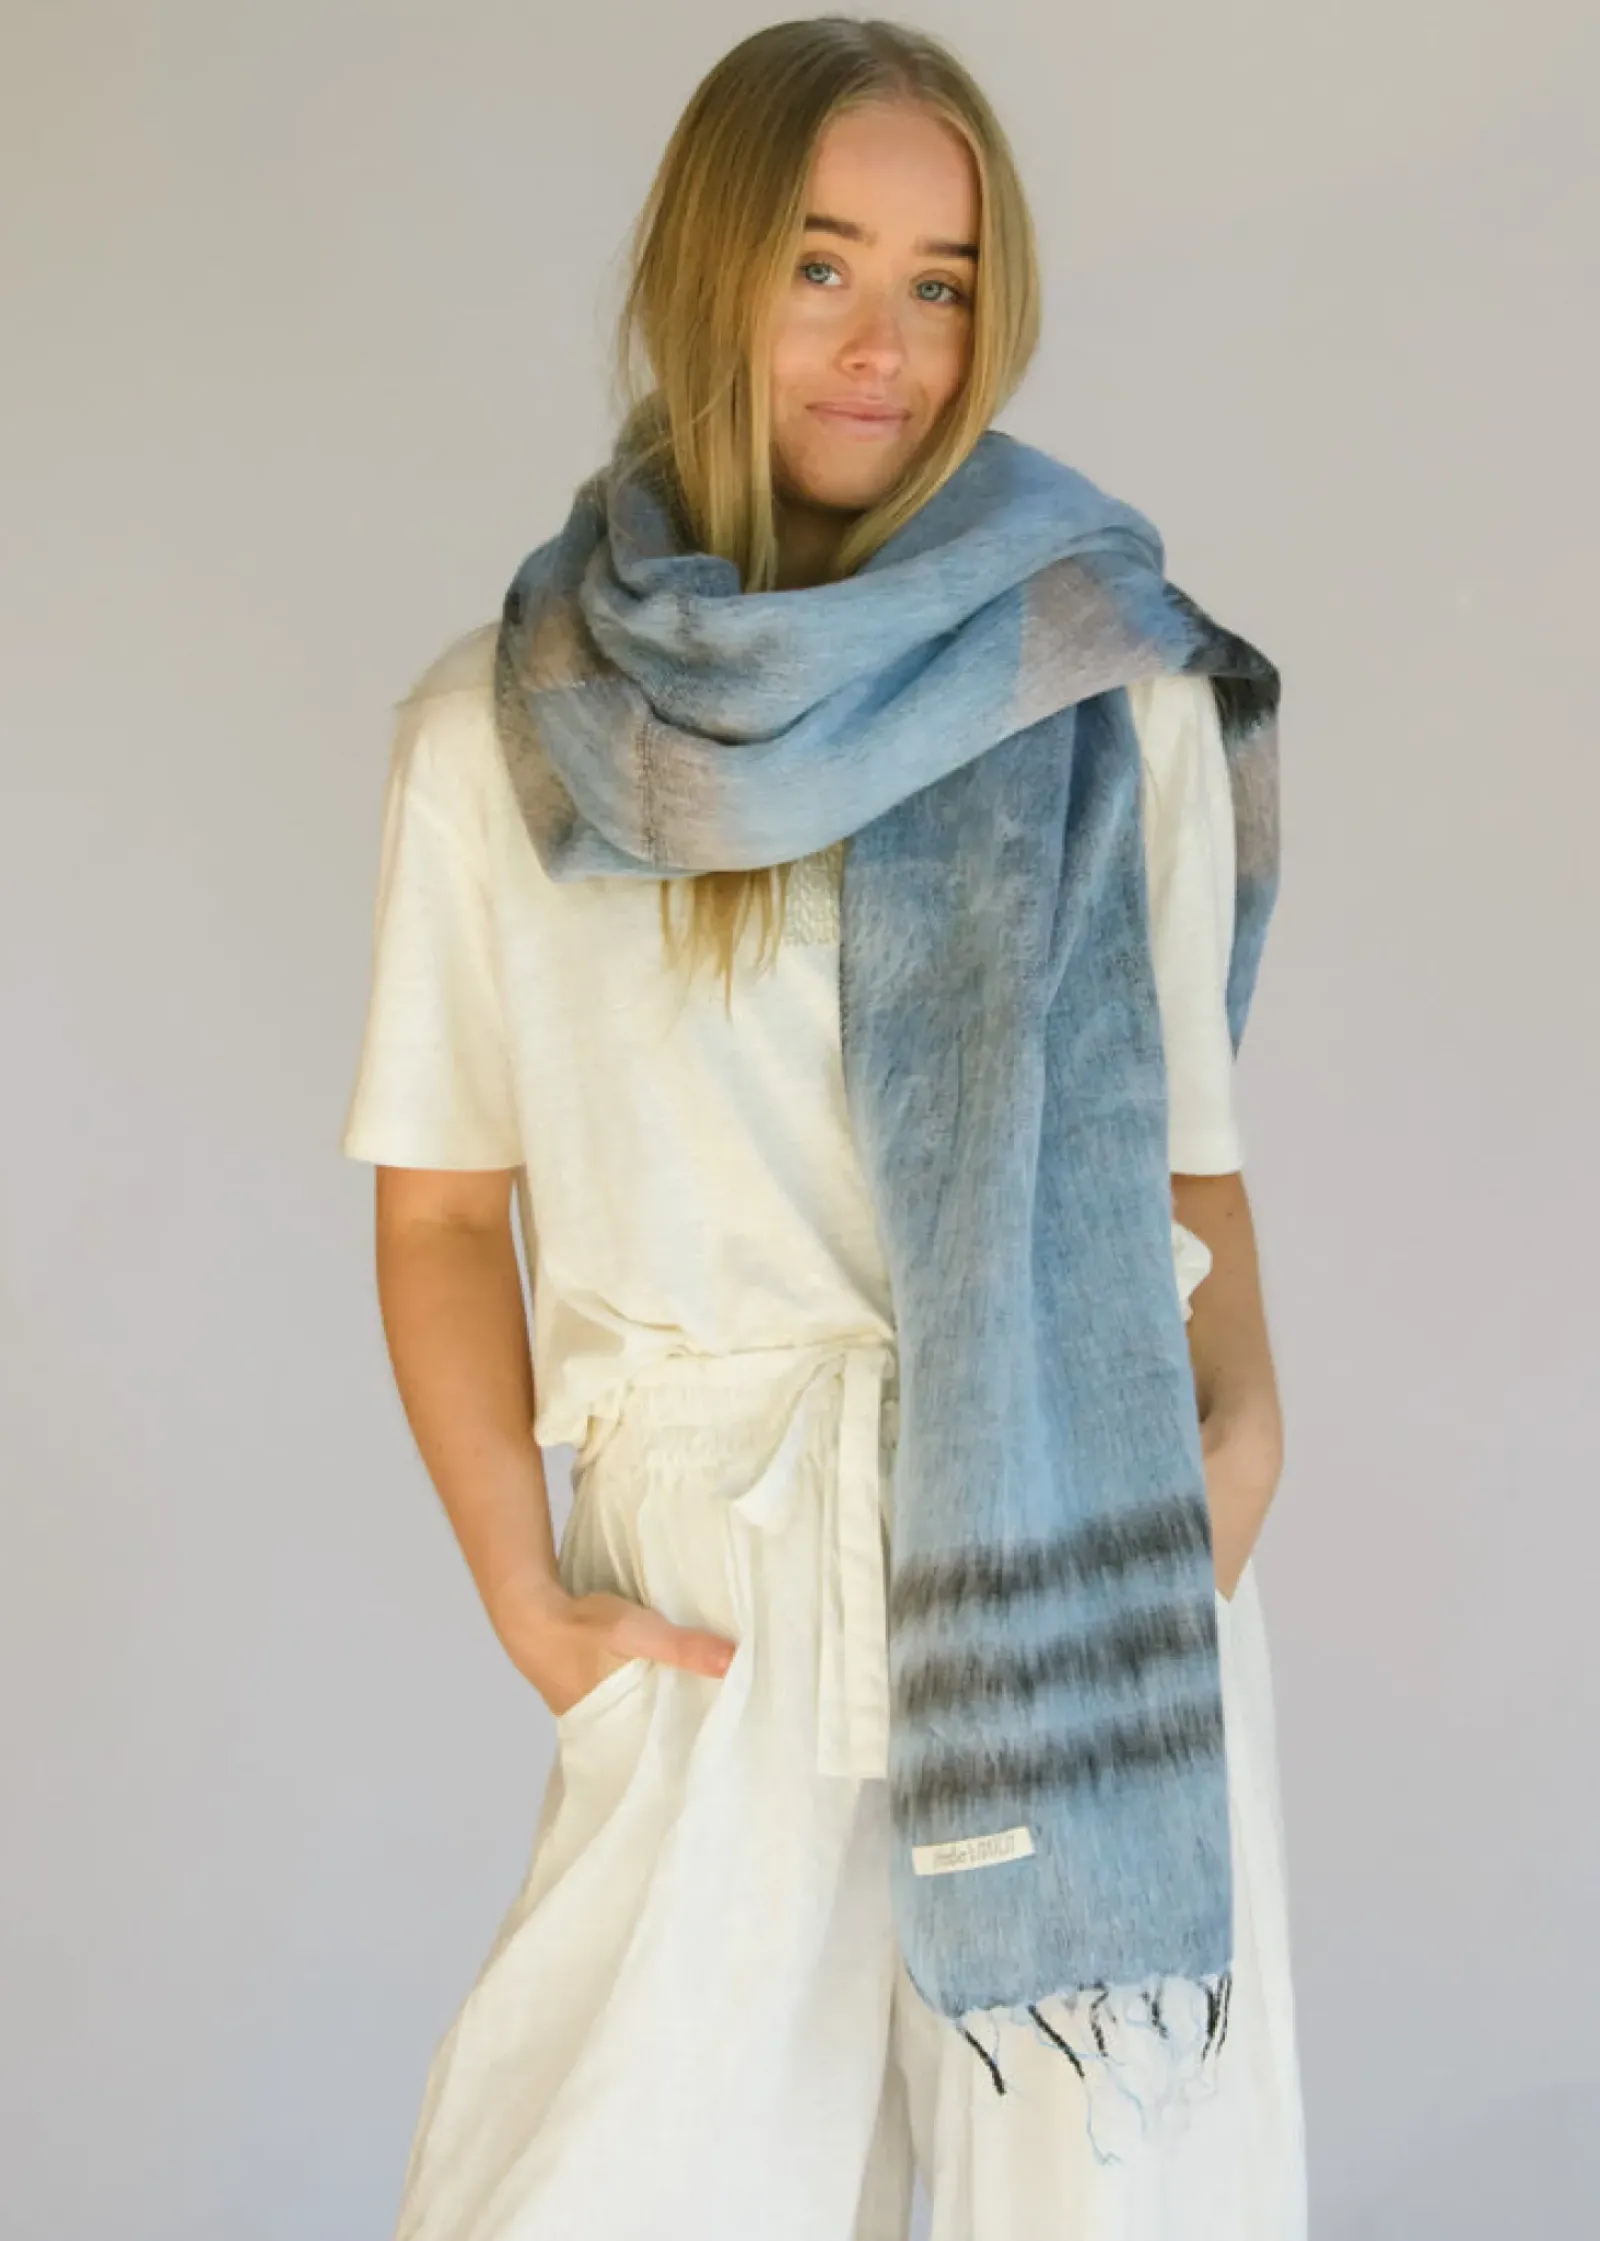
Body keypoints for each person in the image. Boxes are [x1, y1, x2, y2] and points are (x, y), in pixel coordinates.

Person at [339, 18, 1306, 2239]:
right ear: (708, 273)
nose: (886, 345)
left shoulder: (1111, 685)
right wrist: (525, 1591)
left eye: (940, 282)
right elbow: (441, 1211)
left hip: (1070, 1539)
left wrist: (1242, 1430)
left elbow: (1187, 1151)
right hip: (719, 1569)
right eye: (821, 265)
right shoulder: (502, 737)